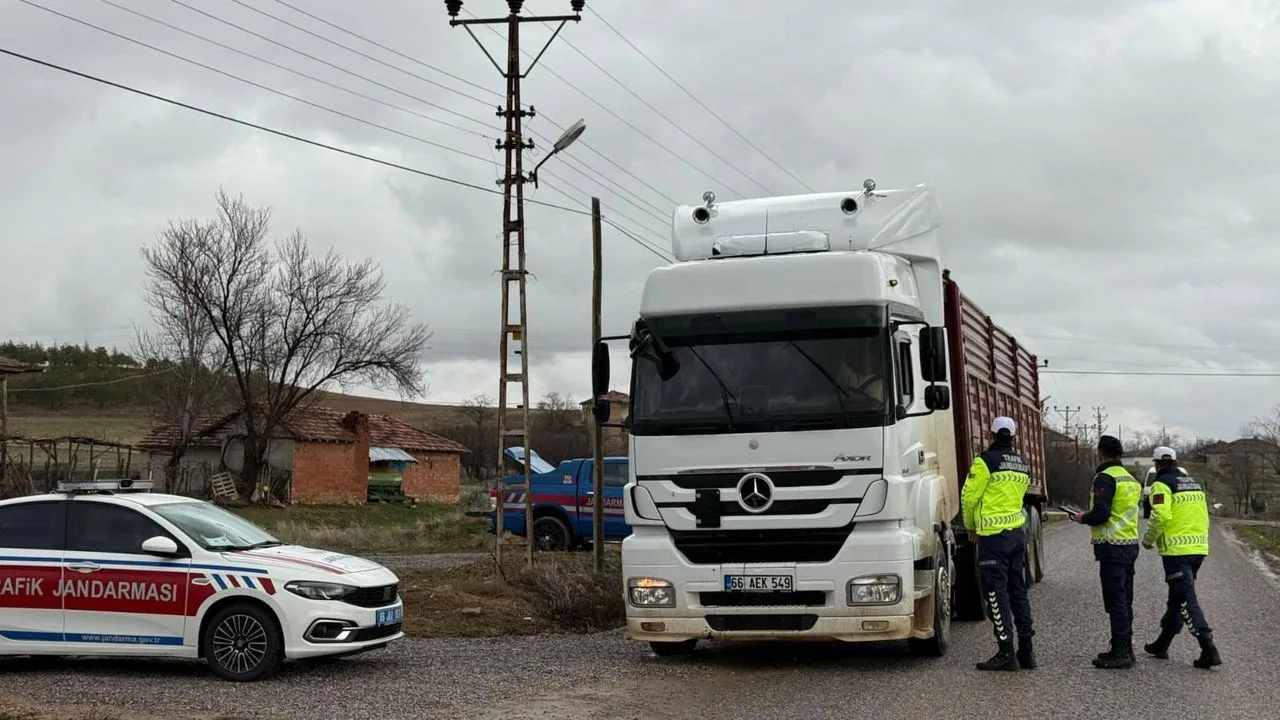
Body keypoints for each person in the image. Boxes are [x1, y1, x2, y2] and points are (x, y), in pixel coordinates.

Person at [961, 416, 1035, 671]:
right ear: (1013, 435)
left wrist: (971, 526)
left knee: (995, 592)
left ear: (992, 434)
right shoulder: (1023, 463)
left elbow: (969, 497)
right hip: (1016, 534)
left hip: (993, 536)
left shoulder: (985, 462)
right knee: (1018, 591)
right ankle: (1027, 651)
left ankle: (1006, 652)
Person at [1141, 446, 1222, 669]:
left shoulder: (1161, 484)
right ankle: (1162, 643)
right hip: (1198, 549)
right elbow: (1204, 515)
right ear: (1175, 462)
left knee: (1186, 599)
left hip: (1177, 552)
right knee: (1177, 596)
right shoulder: (1193, 483)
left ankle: (1208, 648)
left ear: (1157, 464)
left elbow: (1160, 515)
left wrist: (1148, 539)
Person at [1069, 434, 1141, 669]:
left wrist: (1082, 518)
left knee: (1115, 599)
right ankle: (1126, 648)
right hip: (1129, 544)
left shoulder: (1105, 478)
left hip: (1112, 546)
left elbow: (1101, 514)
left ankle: (1121, 651)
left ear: (1100, 454)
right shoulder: (1128, 478)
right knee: (1125, 598)